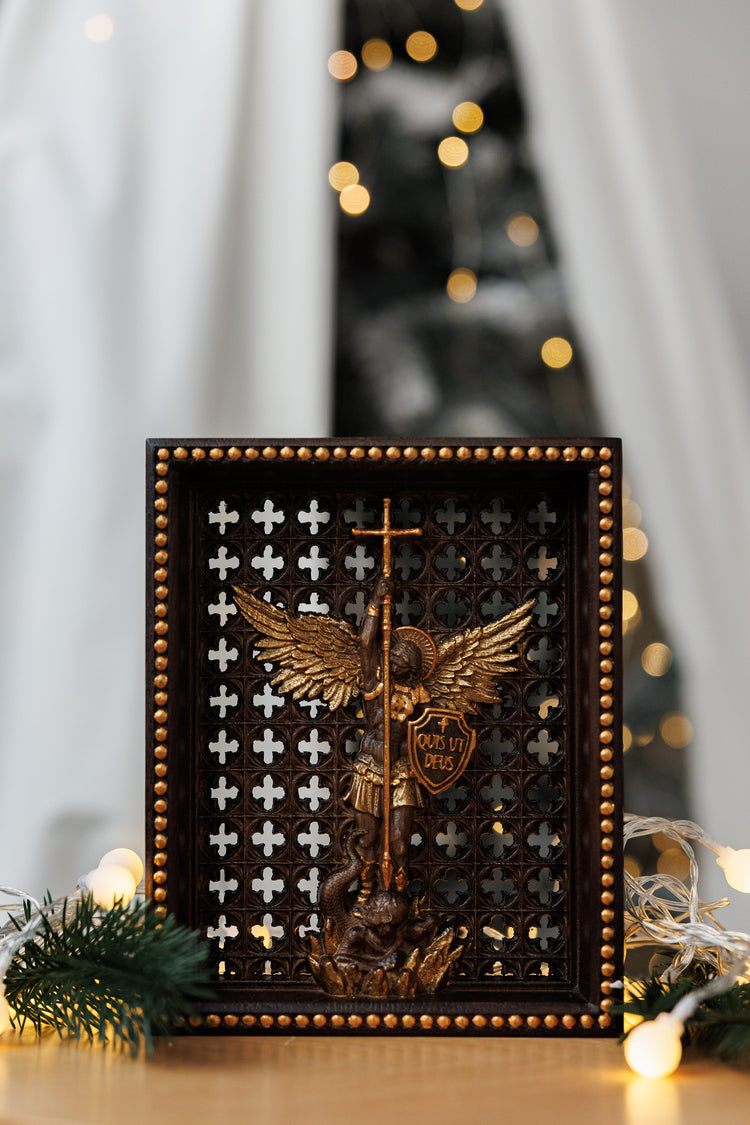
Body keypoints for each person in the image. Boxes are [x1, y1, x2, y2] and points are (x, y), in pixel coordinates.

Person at [344, 576, 431, 899]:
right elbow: (366, 642)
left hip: (403, 769)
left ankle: (398, 895)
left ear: (413, 668)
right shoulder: (374, 683)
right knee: (367, 840)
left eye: (403, 660)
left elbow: (429, 734)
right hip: (370, 764)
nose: (395, 660)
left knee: (399, 843)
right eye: (394, 656)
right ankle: (366, 893)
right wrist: (375, 603)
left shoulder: (419, 696)